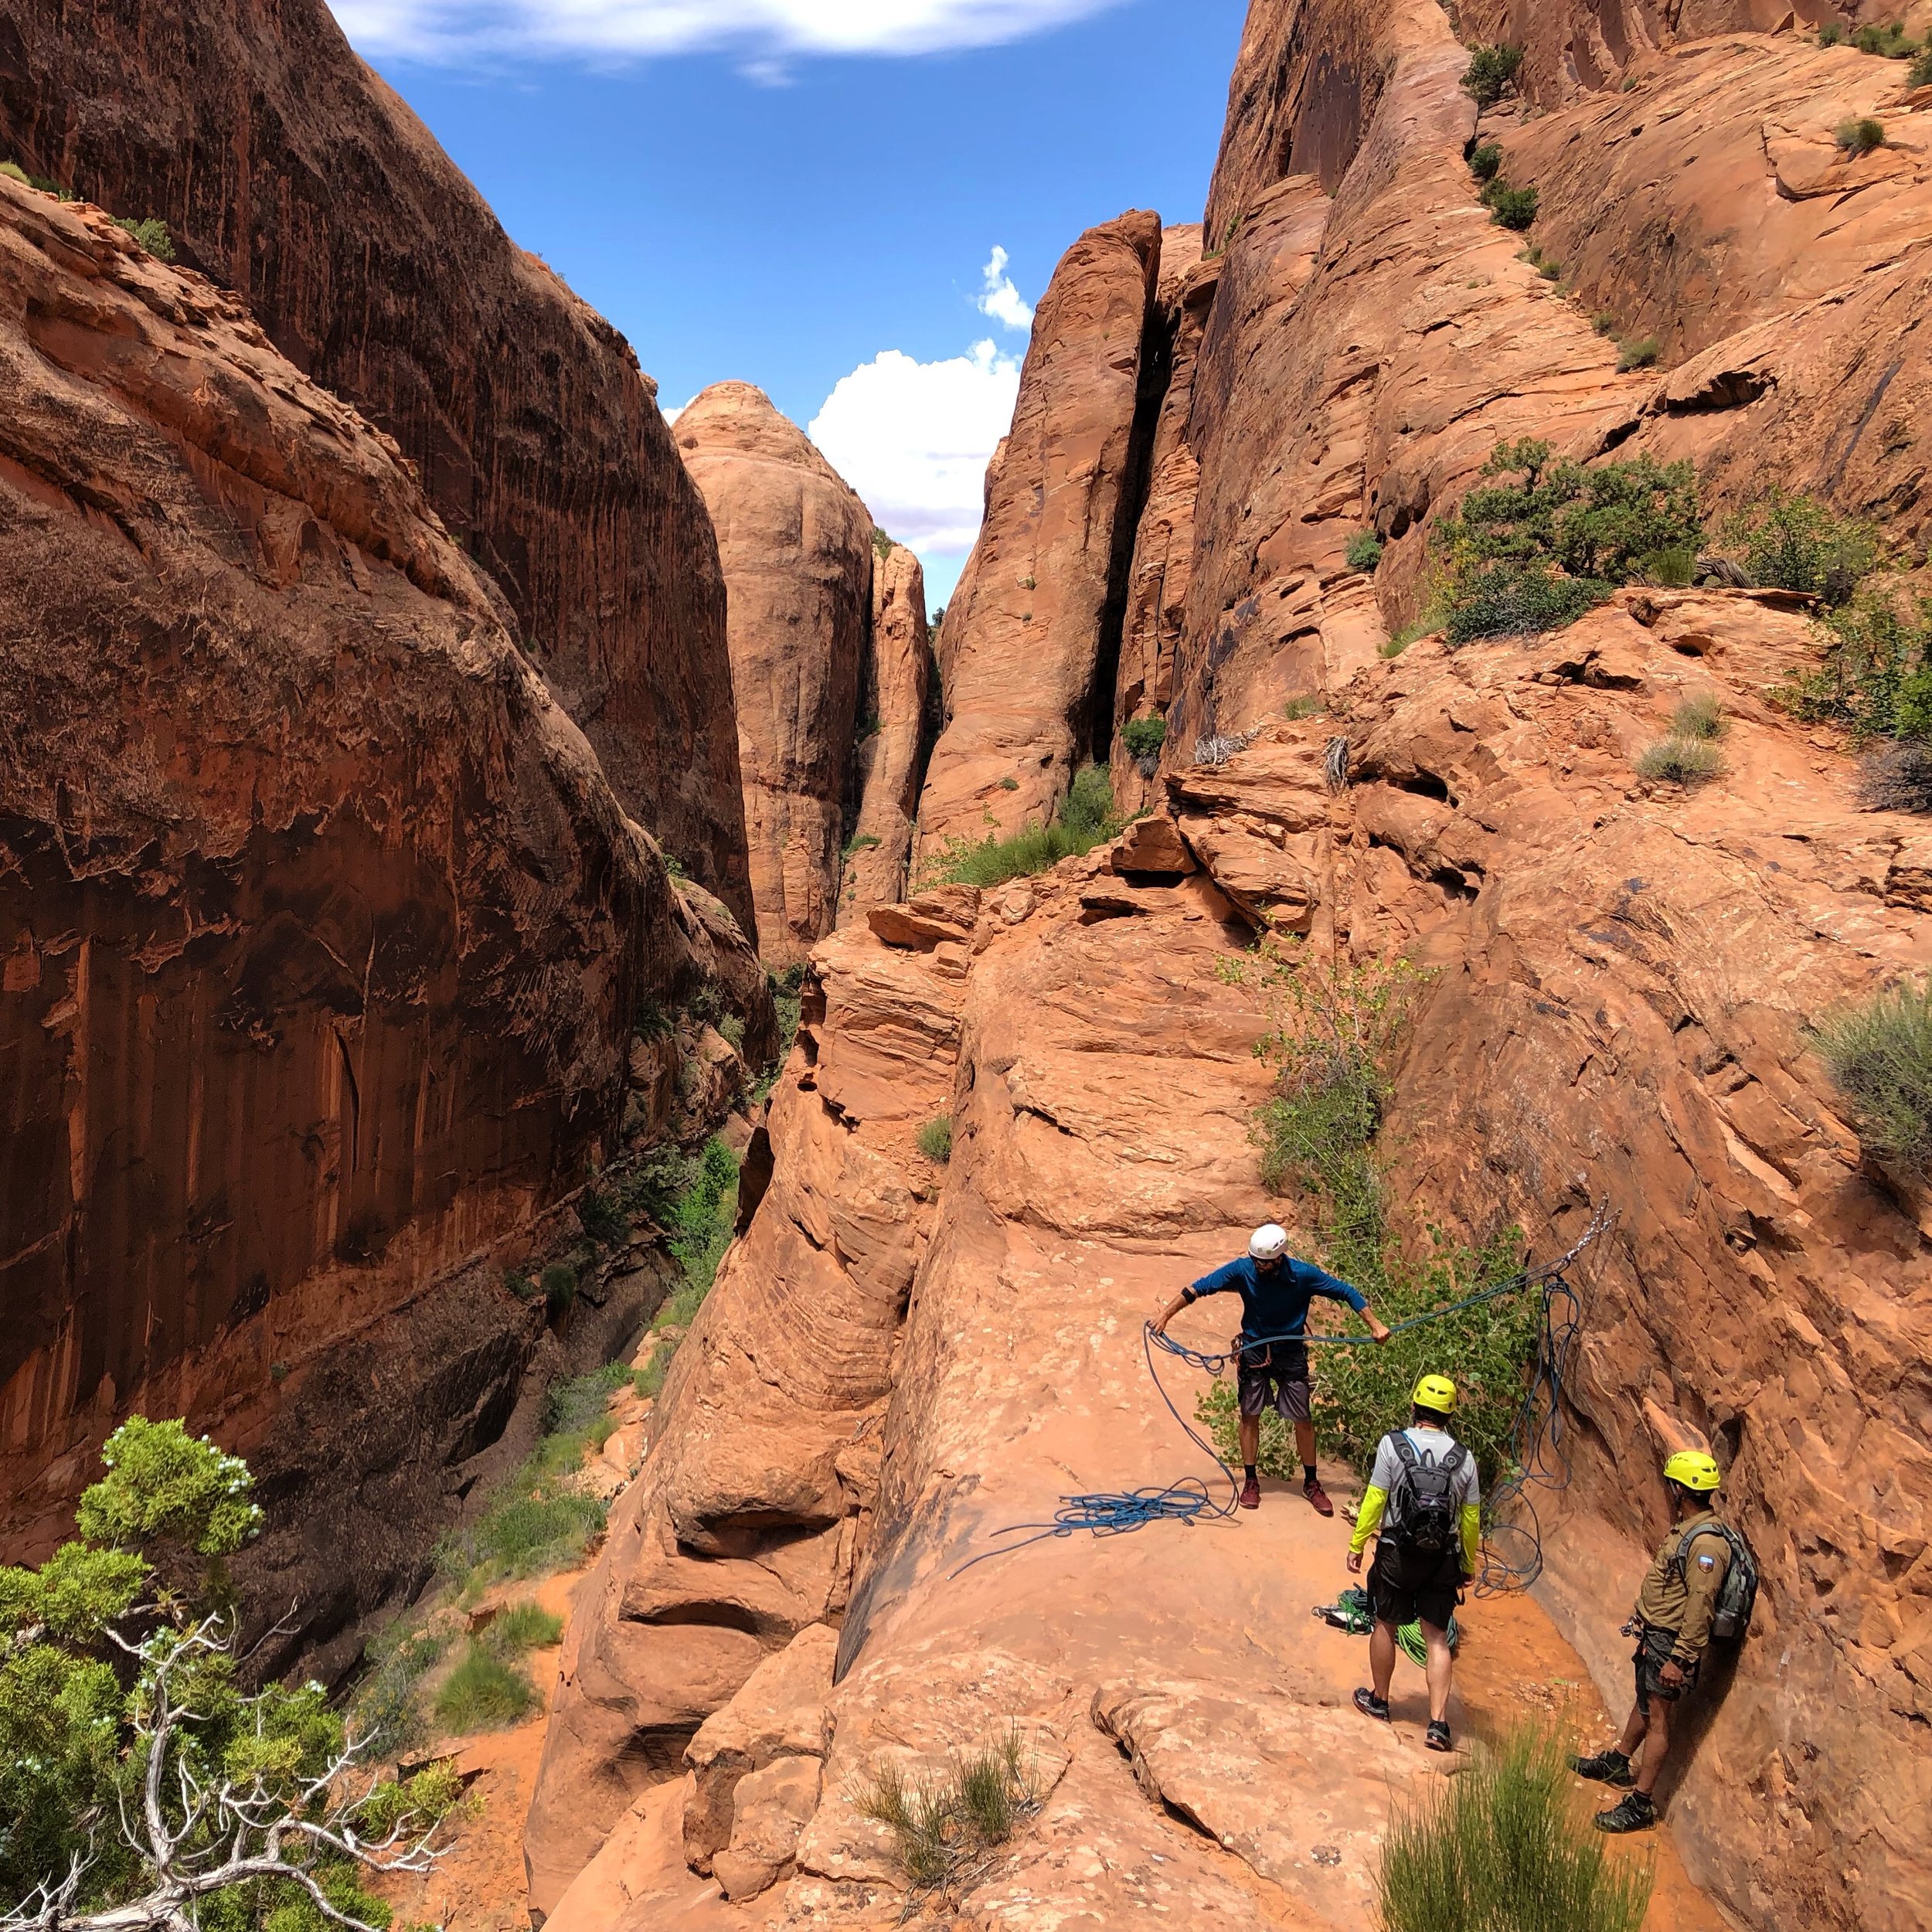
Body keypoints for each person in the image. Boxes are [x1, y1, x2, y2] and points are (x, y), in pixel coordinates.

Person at [1153, 1223, 1390, 1514]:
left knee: (1302, 1418)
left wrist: (1375, 1325)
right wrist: (1165, 1315)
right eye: (1255, 1260)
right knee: (1249, 1415)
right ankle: (1251, 1481)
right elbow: (1198, 1288)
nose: (1258, 1266)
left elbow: (1346, 1292)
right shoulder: (1243, 1269)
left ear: (1279, 1258)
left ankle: (1312, 1483)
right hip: (1254, 1350)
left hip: (1290, 1353)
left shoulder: (1304, 1275)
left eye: (1263, 1262)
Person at [1572, 1450, 1731, 1833]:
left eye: (1672, 1484)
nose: (1669, 1490)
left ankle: (1641, 1803)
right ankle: (1618, 1761)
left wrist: (1681, 1657)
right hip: (1658, 1636)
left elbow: (1700, 1604)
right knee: (1644, 1702)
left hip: (1672, 1643)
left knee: (1659, 1718)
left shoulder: (1707, 1544)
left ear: (1682, 1488)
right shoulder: (1689, 1529)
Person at [1345, 1373, 1480, 1751]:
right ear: (1450, 1414)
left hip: (1397, 1553)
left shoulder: (1393, 1445)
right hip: (1443, 1559)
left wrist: (1358, 1544)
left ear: (1415, 1406)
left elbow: (1375, 1498)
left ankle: (1380, 1701)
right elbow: (1470, 1520)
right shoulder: (1465, 1459)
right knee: (1437, 1637)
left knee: (1385, 1624)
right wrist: (1468, 1564)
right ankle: (1438, 1725)